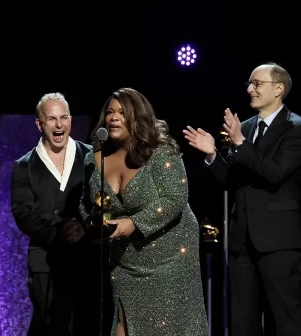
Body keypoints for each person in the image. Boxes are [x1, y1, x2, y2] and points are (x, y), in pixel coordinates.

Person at [183, 63, 301, 336]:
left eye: (257, 83)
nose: (250, 89)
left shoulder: (297, 128)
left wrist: (240, 142)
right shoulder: (246, 127)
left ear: (279, 89)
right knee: (243, 322)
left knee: (287, 319)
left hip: (278, 242)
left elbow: (275, 173)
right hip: (243, 241)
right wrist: (212, 155)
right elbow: (232, 180)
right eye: (249, 83)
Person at [79, 88, 208, 336]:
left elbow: (175, 198)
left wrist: (133, 223)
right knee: (124, 323)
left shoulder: (161, 152)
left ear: (137, 118)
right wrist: (92, 224)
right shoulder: (93, 159)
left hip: (170, 258)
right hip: (125, 260)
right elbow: (86, 204)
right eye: (110, 112)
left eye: (122, 113)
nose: (114, 117)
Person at [11, 92, 95, 335]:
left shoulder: (91, 158)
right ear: (39, 124)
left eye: (64, 117)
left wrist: (84, 227)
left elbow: (102, 203)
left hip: (87, 259)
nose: (59, 125)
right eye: (51, 119)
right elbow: (22, 212)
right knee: (48, 326)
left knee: (86, 325)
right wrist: (58, 233)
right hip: (45, 263)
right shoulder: (23, 165)